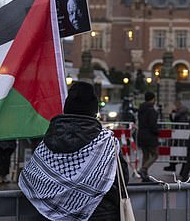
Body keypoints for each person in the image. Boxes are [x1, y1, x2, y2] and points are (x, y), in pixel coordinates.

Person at [19, 81, 128, 221]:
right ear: (94, 110)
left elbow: (31, 176)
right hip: (100, 214)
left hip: (50, 216)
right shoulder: (107, 143)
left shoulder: (47, 140)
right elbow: (121, 180)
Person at [137, 91, 160, 182]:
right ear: (153, 99)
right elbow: (153, 125)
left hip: (141, 134)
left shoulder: (141, 109)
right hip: (150, 136)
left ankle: (144, 175)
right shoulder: (151, 110)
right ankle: (143, 169)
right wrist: (157, 131)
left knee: (145, 155)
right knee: (155, 155)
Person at [163, 100, 190, 172]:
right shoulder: (180, 111)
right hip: (178, 133)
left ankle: (181, 168)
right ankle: (172, 165)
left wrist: (173, 111)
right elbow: (173, 120)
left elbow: (175, 118)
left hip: (182, 133)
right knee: (174, 150)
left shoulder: (182, 110)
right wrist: (171, 113)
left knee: (182, 151)